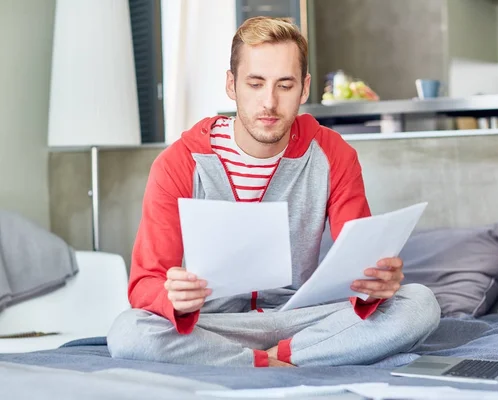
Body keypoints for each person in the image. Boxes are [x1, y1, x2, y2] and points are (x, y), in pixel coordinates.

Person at [107, 16, 440, 368]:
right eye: (255, 83)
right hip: (215, 324)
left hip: (302, 320)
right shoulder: (179, 161)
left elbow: (359, 264)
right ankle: (276, 360)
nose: (269, 102)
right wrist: (172, 298)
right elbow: (145, 282)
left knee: (418, 303)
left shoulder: (334, 154)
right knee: (129, 331)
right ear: (231, 85)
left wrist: (375, 283)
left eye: (285, 85)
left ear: (304, 87)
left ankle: (269, 359)